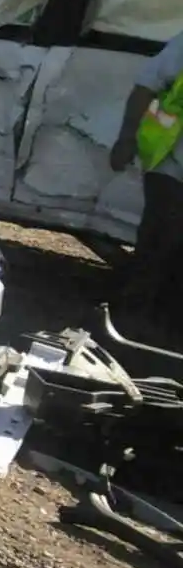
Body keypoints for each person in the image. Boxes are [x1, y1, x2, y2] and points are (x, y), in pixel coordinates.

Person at [109, 27, 183, 347]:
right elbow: (146, 86)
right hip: (171, 164)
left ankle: (165, 328)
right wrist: (126, 138)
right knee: (159, 245)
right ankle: (128, 324)